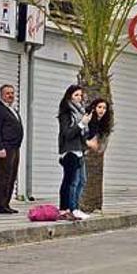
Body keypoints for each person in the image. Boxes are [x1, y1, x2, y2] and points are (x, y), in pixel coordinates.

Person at [56, 85, 92, 221]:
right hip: (70, 150)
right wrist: (82, 124)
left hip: (79, 150)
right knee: (72, 181)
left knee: (82, 180)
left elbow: (82, 133)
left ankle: (75, 207)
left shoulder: (80, 111)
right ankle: (69, 208)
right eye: (76, 95)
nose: (79, 98)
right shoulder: (67, 113)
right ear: (69, 96)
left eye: (80, 95)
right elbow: (67, 133)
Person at [0, 84, 24, 214]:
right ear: (1, 94)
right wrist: (0, 147)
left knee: (11, 176)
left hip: (14, 147)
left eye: (12, 93)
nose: (11, 96)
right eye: (8, 93)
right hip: (5, 148)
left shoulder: (12, 109)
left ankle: (6, 203)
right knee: (3, 176)